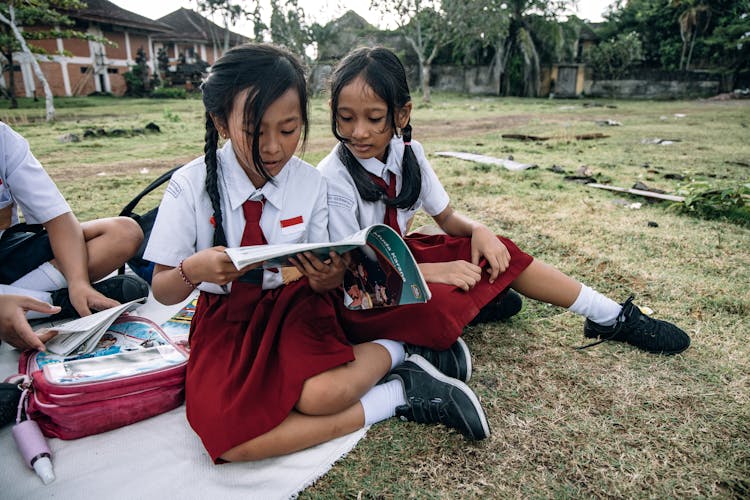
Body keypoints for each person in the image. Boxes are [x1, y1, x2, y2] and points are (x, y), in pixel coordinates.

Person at [144, 43, 489, 464]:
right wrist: (192, 269)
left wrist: (326, 276)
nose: (272, 147)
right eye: (255, 131)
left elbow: (332, 268)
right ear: (220, 121)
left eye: (289, 130)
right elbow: (161, 290)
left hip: (295, 306)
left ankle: (404, 352)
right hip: (226, 321)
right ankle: (401, 391)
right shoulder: (188, 186)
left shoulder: (311, 183)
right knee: (227, 440)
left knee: (321, 395)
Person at [318, 46, 691, 357]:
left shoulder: (408, 154)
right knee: (439, 309)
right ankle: (473, 304)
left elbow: (446, 218)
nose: (358, 132)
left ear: (402, 114)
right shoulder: (333, 176)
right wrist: (434, 272)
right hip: (365, 294)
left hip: (403, 264)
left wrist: (481, 231)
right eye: (346, 118)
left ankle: (609, 316)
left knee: (500, 251)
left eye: (375, 118)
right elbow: (350, 271)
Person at [0, 122, 149, 330]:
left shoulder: (4, 139)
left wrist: (79, 282)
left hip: (5, 249)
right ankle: (56, 303)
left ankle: (37, 301)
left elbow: (57, 217)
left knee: (124, 232)